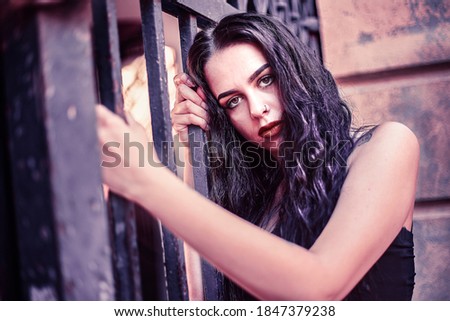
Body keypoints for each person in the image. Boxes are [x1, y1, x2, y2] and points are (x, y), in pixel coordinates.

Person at [96, 13, 419, 300]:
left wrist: (146, 178)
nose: (257, 109)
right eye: (233, 101)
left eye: (265, 80)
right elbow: (198, 294)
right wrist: (194, 147)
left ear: (295, 71)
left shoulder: (387, 145)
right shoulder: (259, 201)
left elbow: (317, 287)